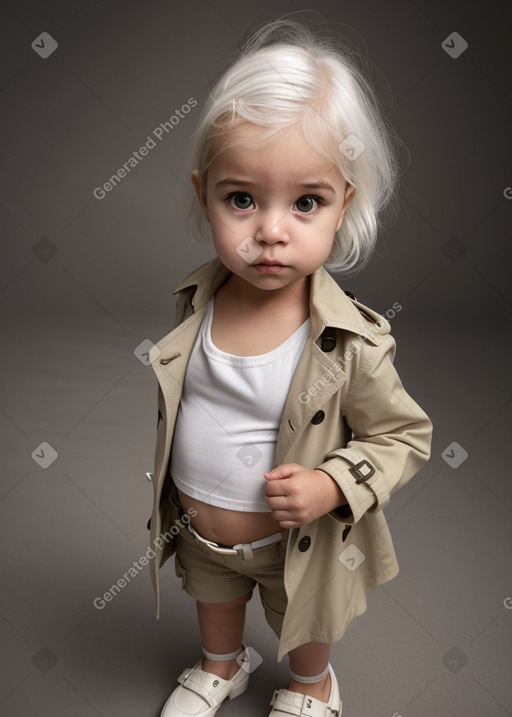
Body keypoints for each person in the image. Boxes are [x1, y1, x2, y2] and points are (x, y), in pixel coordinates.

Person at [147, 14, 433, 717]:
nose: (270, 230)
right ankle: (223, 663)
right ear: (203, 193)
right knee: (213, 598)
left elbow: (405, 437)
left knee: (305, 626)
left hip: (295, 540)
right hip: (200, 528)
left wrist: (333, 483)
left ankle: (312, 685)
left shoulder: (351, 341)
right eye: (241, 198)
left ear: (343, 209)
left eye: (306, 201)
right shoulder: (197, 302)